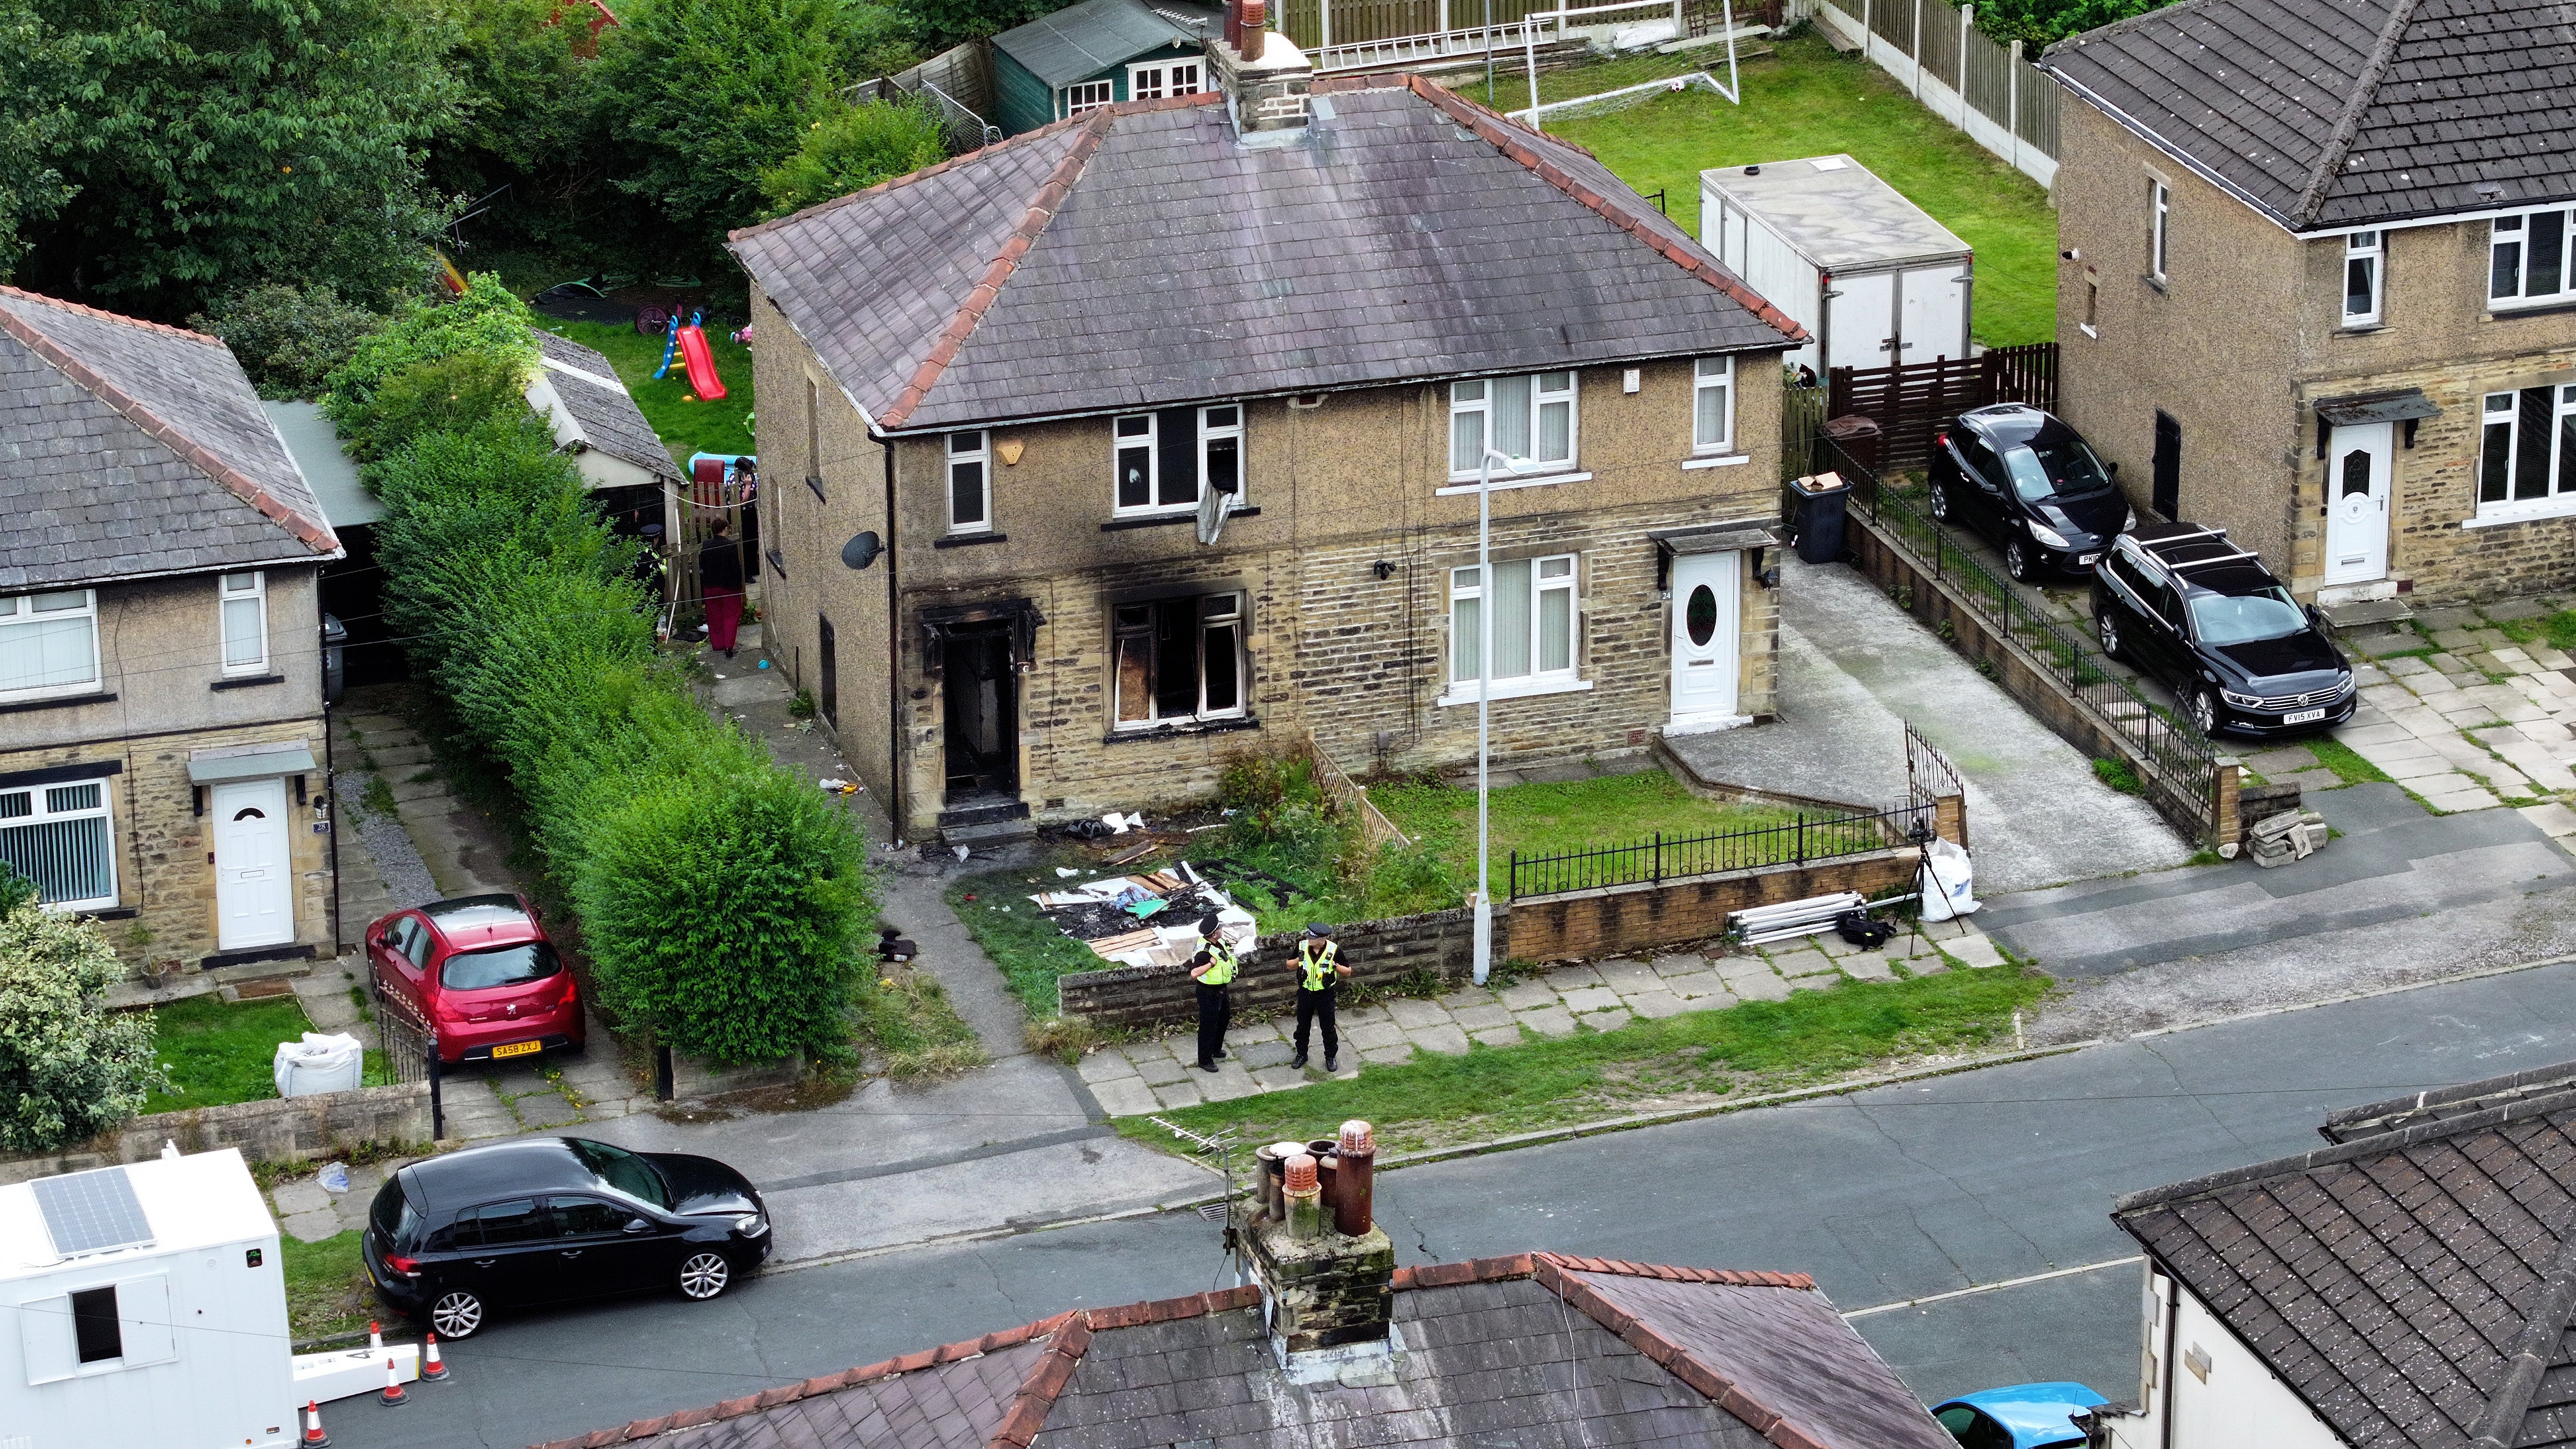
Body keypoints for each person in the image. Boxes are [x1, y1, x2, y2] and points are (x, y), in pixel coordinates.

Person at [1289, 922, 1351, 1073]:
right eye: (1309, 936)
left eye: (1312, 937)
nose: (1309, 939)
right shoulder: (1302, 947)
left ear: (1322, 939)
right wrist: (1300, 959)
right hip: (1306, 993)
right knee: (1303, 1027)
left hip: (1325, 995)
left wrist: (1335, 966)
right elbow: (1289, 964)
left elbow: (1348, 971)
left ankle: (1330, 1057)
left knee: (1328, 1028)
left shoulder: (1334, 950)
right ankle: (1301, 1055)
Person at [1187, 914, 1235, 1072]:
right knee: (1208, 1026)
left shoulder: (1218, 942)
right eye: (1220, 929)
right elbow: (1194, 973)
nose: (1222, 930)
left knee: (1223, 1019)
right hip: (1208, 992)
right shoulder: (1204, 953)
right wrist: (1210, 964)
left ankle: (1216, 1049)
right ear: (1214, 934)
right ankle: (1205, 1060)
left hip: (1221, 989)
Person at [700, 516, 745, 657]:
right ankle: (729, 646)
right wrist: (739, 587)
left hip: (711, 587)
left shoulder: (706, 545)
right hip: (728, 587)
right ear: (725, 529)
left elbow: (703, 566)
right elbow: (736, 569)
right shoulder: (731, 546)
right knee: (731, 616)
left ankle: (718, 644)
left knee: (714, 616)